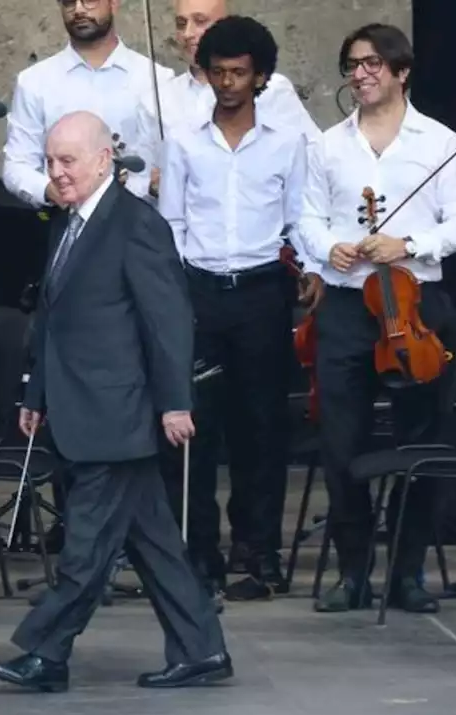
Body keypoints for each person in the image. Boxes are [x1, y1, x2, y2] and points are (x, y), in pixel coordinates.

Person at [0, 111, 230, 692]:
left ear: (104, 160)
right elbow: (53, 318)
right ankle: (201, 649)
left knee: (87, 544)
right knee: (155, 542)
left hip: (118, 414)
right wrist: (36, 392)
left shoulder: (136, 225)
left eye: (68, 161)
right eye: (50, 162)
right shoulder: (65, 223)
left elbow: (168, 321)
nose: (57, 173)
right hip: (79, 407)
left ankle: (46, 654)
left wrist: (175, 402)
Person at [297, 23, 456, 614]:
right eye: (353, 64)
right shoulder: (327, 145)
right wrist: (331, 249)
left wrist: (410, 244)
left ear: (402, 72)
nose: (361, 73)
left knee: (421, 442)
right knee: (340, 443)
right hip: (350, 307)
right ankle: (352, 574)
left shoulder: (441, 141)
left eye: (375, 63)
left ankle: (407, 573)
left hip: (418, 307)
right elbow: (306, 219)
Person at [155, 16, 316, 602]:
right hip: (198, 291)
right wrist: (172, 292)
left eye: (238, 73)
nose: (227, 83)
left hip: (261, 292)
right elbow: (171, 221)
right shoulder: (185, 140)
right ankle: (198, 553)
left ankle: (258, 551)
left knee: (262, 428)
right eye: (217, 72)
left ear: (261, 77)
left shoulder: (286, 141)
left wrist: (314, 267)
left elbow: (301, 218)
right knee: (195, 428)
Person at [137, 0, 320, 198]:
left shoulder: (273, 88)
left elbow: (314, 153)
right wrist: (152, 186)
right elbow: (135, 178)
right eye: (181, 24)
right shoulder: (157, 100)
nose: (188, 33)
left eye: (200, 21)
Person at [2, 0, 173, 207]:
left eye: (89, 1)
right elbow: (17, 165)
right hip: (63, 224)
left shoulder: (156, 79)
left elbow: (165, 166)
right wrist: (51, 191)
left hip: (137, 223)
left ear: (114, 3)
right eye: (69, 3)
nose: (79, 10)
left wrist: (147, 186)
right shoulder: (34, 82)